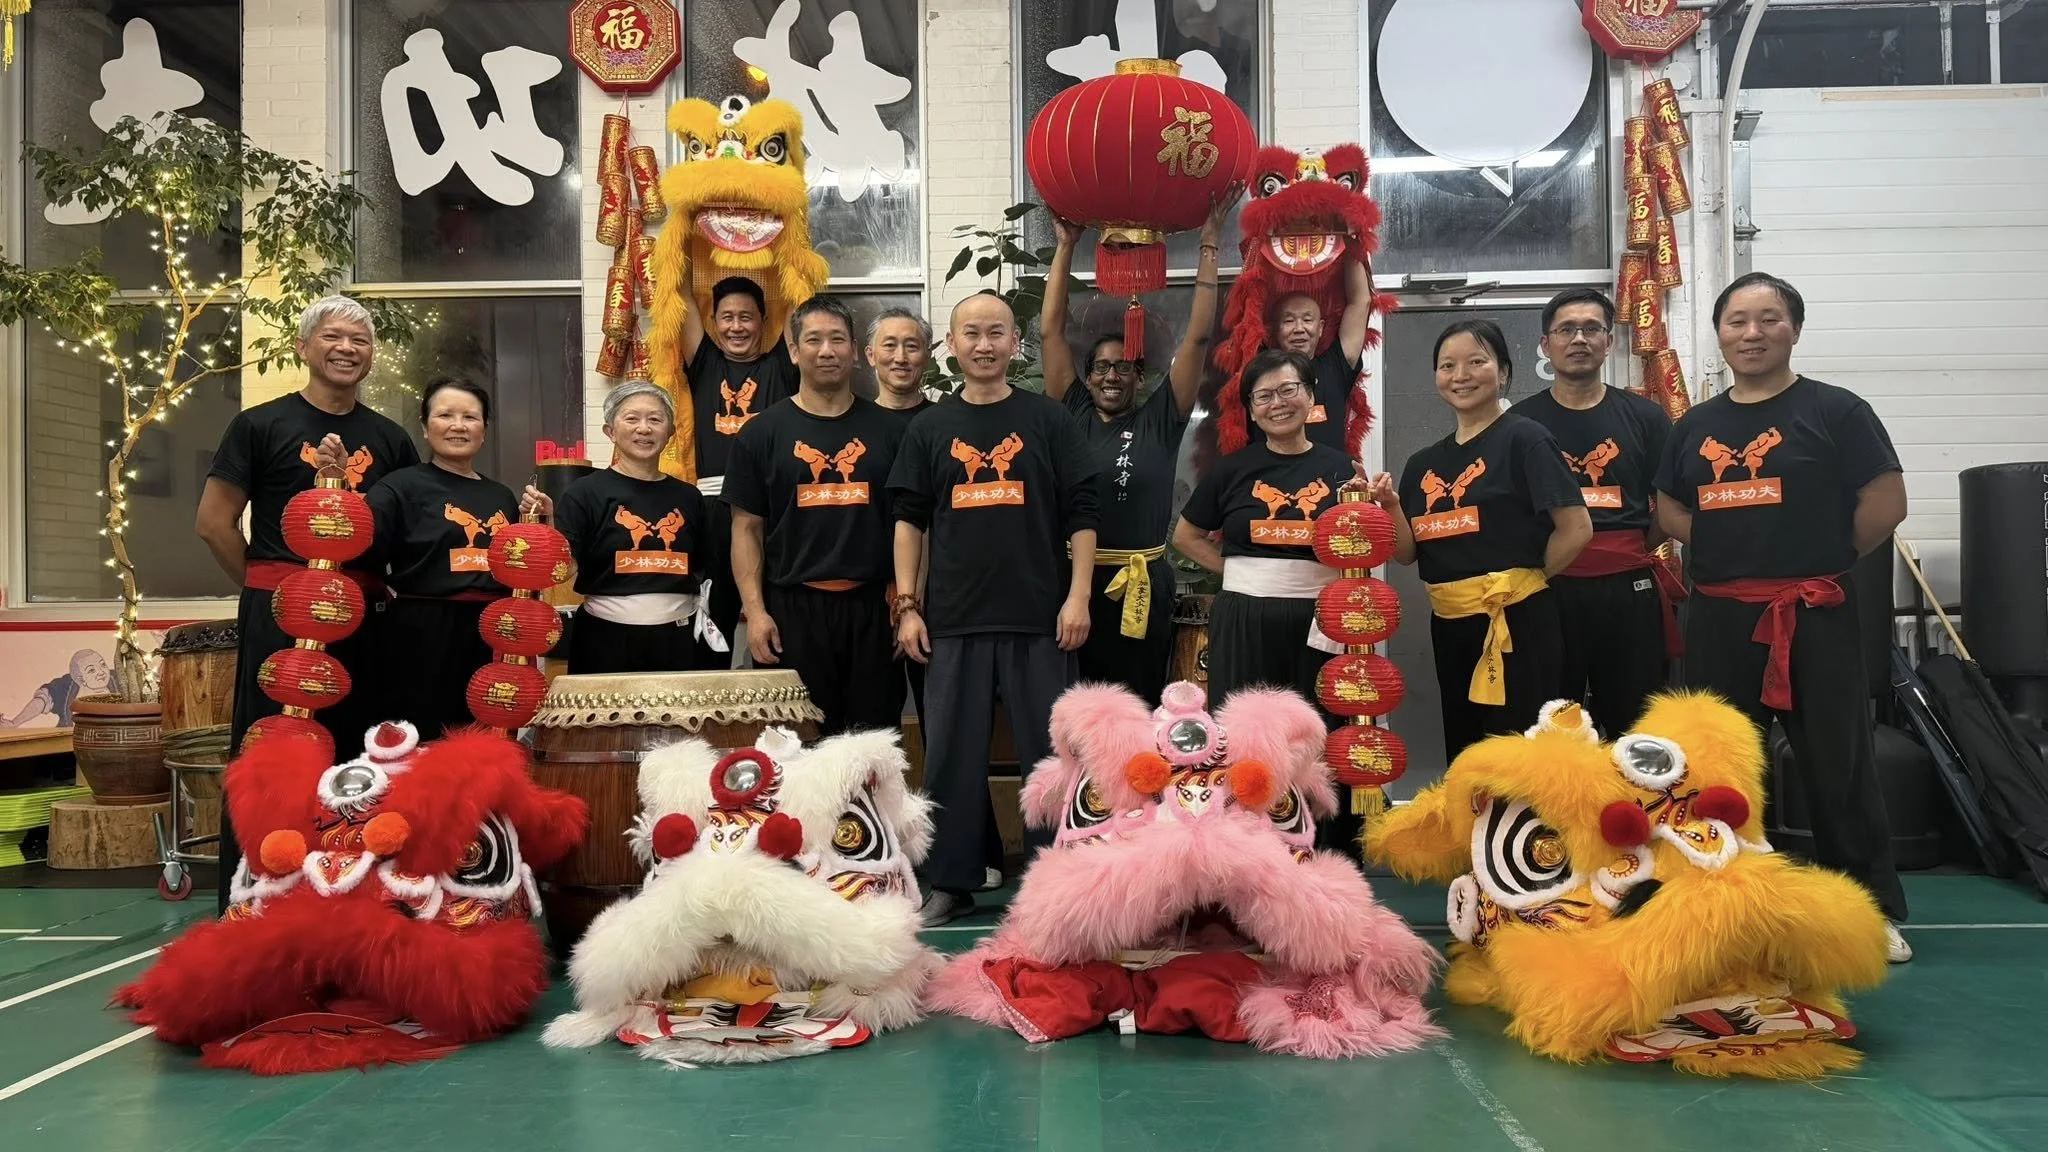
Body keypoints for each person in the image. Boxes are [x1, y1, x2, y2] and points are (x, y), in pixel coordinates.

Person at [1653, 271, 1912, 963]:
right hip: (1720, 616)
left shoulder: (1836, 411)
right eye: (1738, 320)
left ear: (1794, 328)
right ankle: (1724, 906)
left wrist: (1814, 559)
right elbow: (1669, 507)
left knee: (1839, 763)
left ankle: (1869, 911)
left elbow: (1886, 502)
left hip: (1813, 613)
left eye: (1769, 318)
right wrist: (1730, 545)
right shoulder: (1696, 426)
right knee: (1719, 767)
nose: (1753, 332)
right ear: (1720, 334)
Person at [195, 295, 420, 914]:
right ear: (303, 347)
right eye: (333, 337)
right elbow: (215, 523)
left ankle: (353, 902)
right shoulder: (259, 425)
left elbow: (405, 530)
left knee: (359, 754)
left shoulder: (390, 438)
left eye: (360, 340)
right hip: (282, 616)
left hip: (363, 619)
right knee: (275, 753)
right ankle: (255, 902)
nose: (347, 348)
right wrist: (271, 590)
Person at [888, 291, 1099, 925]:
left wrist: (1078, 596)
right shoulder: (929, 427)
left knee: (1049, 757)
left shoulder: (1047, 420)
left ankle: (1050, 881)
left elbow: (1083, 514)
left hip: (1040, 619)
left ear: (1016, 344)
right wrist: (907, 606)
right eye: (971, 333)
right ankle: (950, 880)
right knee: (950, 754)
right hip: (953, 622)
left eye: (997, 332)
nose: (984, 344)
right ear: (951, 347)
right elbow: (908, 521)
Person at [1367, 319, 1590, 762]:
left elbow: (1577, 527)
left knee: (1521, 744)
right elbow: (1408, 553)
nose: (1460, 375)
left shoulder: (1524, 439)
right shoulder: (1422, 464)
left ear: (1503, 371)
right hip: (1451, 623)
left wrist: (1525, 581)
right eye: (1447, 365)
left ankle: (1527, 833)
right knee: (1467, 744)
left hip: (1519, 620)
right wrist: (1390, 506)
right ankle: (1474, 832)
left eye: (1476, 361)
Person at [1040, 189, 1231, 704]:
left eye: (1124, 366)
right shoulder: (1072, 411)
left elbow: (1195, 341)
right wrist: (1065, 248)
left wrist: (1210, 244)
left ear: (1139, 374)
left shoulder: (1161, 420)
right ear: (1087, 375)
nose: (1111, 376)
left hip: (1144, 584)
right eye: (1101, 366)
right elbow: (1051, 334)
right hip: (1071, 586)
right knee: (1075, 706)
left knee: (1141, 704)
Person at [1173, 349, 1362, 850]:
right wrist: (1236, 572)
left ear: (1311, 396)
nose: (1277, 404)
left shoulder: (1343, 468)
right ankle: (1246, 851)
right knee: (1244, 733)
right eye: (1264, 397)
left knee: (1318, 732)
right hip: (1245, 614)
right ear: (1251, 410)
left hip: (1321, 618)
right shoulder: (1230, 469)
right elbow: (1187, 537)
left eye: (1288, 391)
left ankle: (1326, 852)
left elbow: (1367, 541)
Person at [725, 296, 907, 736]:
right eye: (813, 340)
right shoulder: (761, 433)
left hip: (874, 611)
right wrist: (756, 612)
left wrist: (908, 600)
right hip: (793, 612)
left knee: (874, 748)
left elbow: (913, 526)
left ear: (855, 351)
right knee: (800, 748)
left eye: (837, 339)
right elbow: (746, 529)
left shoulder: (893, 431)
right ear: (793, 350)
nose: (826, 350)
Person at [1511, 289, 1676, 734]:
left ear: (1609, 341)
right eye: (1566, 329)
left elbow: (1671, 501)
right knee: (1548, 718)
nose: (1578, 338)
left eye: (1591, 329)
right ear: (1546, 345)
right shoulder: (1520, 425)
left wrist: (1632, 546)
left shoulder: (1646, 417)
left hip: (1628, 588)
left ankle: (1634, 805)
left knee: (1637, 719)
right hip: (1545, 589)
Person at [349, 377, 518, 740]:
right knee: (421, 738)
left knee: (485, 739)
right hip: (419, 633)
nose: (458, 425)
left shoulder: (502, 496)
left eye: (470, 417)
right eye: (445, 415)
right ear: (425, 428)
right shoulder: (398, 486)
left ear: (484, 429)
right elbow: (363, 550)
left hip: (491, 633)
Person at [522, 381, 715, 674]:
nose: (644, 428)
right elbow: (565, 570)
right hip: (604, 640)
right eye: (632, 418)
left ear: (671, 432)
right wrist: (548, 528)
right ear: (610, 431)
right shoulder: (583, 493)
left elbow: (702, 566)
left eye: (655, 419)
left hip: (678, 640)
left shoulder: (689, 497)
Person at [681, 276, 801, 659]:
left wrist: (789, 227)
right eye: (727, 317)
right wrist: (683, 226)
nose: (736, 326)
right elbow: (681, 293)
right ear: (713, 322)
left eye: (746, 317)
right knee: (713, 615)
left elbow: (799, 287)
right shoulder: (705, 365)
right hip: (714, 510)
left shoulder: (782, 366)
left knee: (778, 615)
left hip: (772, 512)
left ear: (765, 322)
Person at [1262, 258, 1375, 454]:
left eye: (1307, 319)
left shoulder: (1336, 366)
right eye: (1289, 321)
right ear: (1275, 329)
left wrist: (1352, 240)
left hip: (1329, 481)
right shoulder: (1260, 372)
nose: (1299, 329)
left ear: (1321, 328)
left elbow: (1360, 302)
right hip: (1271, 482)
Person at [867, 307, 936, 418]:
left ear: (927, 357)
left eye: (911, 346)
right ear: (871, 355)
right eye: (890, 345)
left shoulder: (945, 421)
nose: (900, 359)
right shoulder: (856, 422)